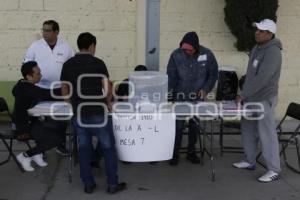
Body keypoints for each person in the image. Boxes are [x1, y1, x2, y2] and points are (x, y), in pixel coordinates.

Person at [60, 32, 126, 194]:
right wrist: (108, 102)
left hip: (80, 115)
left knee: (83, 149)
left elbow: (64, 90)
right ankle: (112, 185)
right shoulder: (98, 63)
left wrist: (72, 105)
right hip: (98, 113)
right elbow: (108, 88)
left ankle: (88, 184)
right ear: (92, 46)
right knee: (108, 148)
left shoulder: (68, 64)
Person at [233, 19, 282, 183]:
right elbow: (250, 75)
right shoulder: (256, 48)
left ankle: (274, 169)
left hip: (264, 99)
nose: (257, 33)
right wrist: (244, 93)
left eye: (261, 31)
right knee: (248, 128)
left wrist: (243, 94)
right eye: (257, 30)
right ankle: (250, 161)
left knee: (266, 134)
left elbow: (262, 78)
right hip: (251, 97)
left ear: (270, 34)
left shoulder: (273, 52)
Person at [167, 31, 218, 165]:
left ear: (196, 47)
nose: (186, 52)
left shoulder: (207, 54)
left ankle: (191, 152)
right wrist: (166, 93)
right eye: (184, 49)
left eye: (189, 50)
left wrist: (206, 89)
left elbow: (213, 74)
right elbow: (171, 76)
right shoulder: (176, 55)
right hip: (180, 97)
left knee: (194, 126)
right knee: (178, 126)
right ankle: (174, 154)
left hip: (197, 97)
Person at [24, 20, 74, 155]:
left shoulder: (65, 46)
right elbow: (27, 65)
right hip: (39, 88)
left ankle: (60, 143)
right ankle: (40, 148)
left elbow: (72, 64)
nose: (44, 33)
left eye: (48, 30)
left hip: (60, 89)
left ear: (56, 32)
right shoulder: (35, 46)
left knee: (61, 117)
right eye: (43, 30)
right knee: (38, 118)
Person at [13, 61, 64, 172]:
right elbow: (49, 94)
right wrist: (66, 89)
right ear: (28, 76)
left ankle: (37, 153)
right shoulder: (27, 89)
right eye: (37, 73)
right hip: (22, 127)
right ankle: (26, 156)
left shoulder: (22, 85)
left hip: (30, 122)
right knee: (57, 138)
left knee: (56, 126)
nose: (40, 75)